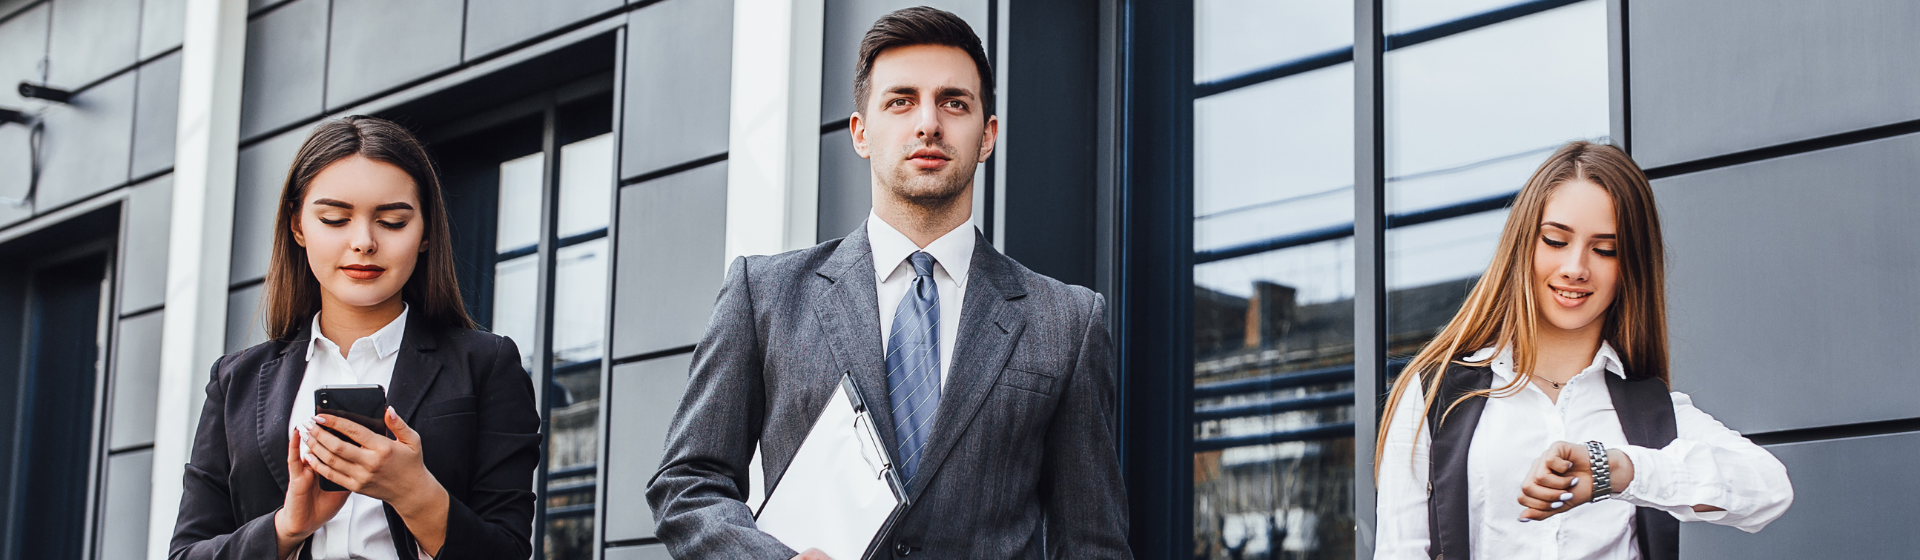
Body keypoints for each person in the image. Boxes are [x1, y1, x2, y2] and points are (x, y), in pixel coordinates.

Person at [647, 7, 1131, 559]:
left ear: (988, 135)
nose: (928, 122)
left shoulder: (1066, 322)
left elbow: (1094, 544)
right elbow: (687, 482)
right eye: (900, 101)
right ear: (861, 132)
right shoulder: (765, 294)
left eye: (954, 102)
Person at [1372, 141, 1793, 559]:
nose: (1576, 267)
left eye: (1605, 249)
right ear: (1523, 245)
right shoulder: (1436, 393)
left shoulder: (1650, 413)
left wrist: (1619, 470)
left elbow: (1770, 488)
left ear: (1629, 267)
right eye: (1556, 241)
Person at [169, 116, 541, 560]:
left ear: (425, 233)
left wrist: (416, 494)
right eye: (335, 218)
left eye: (393, 222)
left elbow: (508, 552)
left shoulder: (485, 366)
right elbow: (186, 554)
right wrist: (287, 528)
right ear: (298, 226)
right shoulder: (237, 381)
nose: (363, 242)